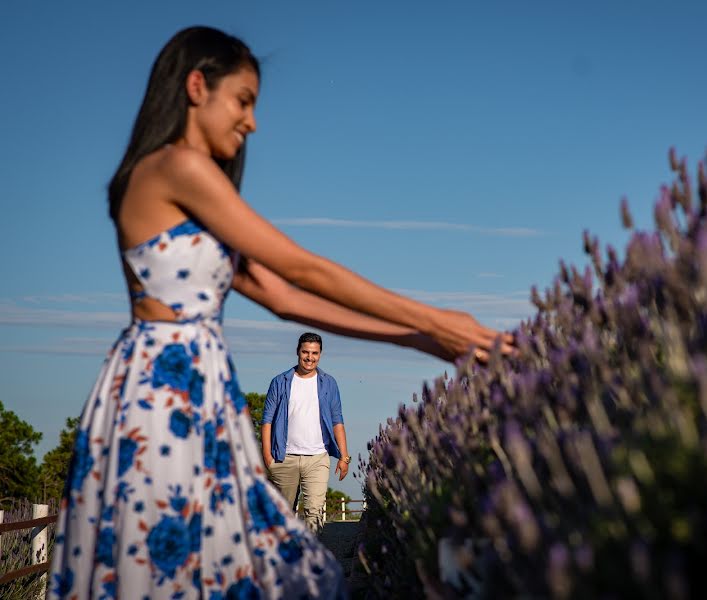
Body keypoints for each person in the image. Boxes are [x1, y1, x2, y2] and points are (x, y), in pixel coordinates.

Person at [47, 25, 511, 600]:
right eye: (243, 102)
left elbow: (285, 299)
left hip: (197, 387)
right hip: (162, 390)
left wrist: (415, 337)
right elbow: (298, 267)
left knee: (213, 561)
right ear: (197, 86)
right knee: (180, 558)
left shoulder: (187, 183)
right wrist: (437, 319)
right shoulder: (177, 168)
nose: (252, 122)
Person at [262, 333, 347, 534]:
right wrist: (267, 456)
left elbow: (337, 421)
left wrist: (344, 457)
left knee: (314, 513)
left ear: (320, 354)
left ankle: (310, 559)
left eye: (314, 353)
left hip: (317, 458)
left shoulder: (329, 383)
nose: (310, 357)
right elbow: (267, 421)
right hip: (284, 458)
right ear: (298, 352)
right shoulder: (280, 382)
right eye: (305, 352)